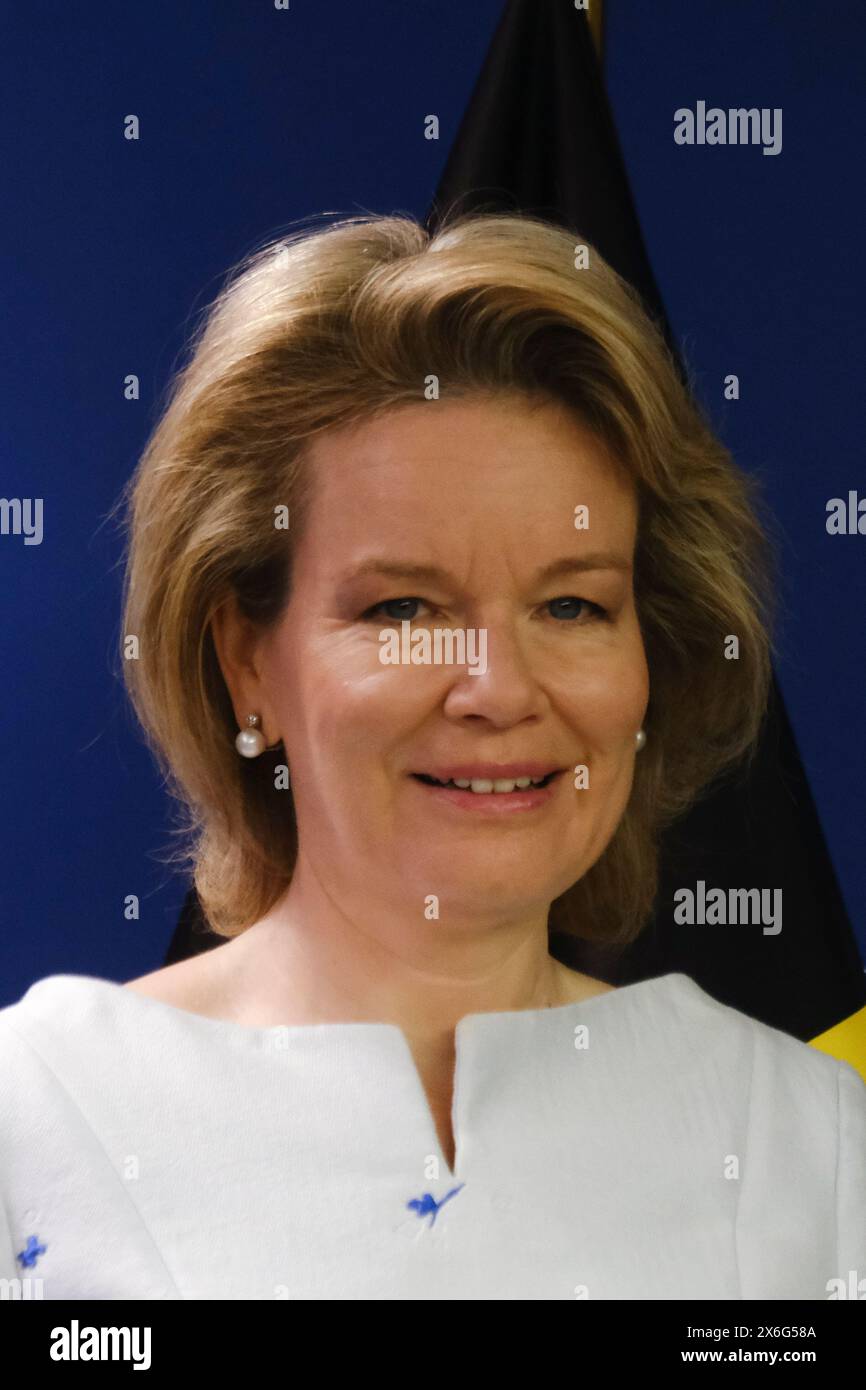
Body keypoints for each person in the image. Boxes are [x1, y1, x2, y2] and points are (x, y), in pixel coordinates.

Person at [1, 211, 863, 1300]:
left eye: (570, 603)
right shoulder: (33, 1119)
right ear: (246, 662)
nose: (498, 687)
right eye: (403, 607)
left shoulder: (812, 1141)